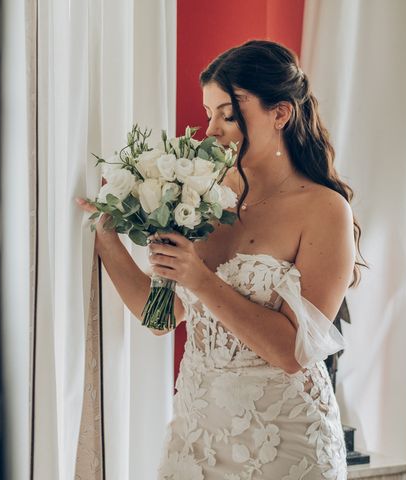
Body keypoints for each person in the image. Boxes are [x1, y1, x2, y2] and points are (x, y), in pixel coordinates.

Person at [76, 39, 367, 480]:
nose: (211, 129)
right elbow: (161, 316)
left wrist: (201, 279)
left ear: (280, 113)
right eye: (209, 113)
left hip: (285, 444)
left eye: (228, 114)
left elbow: (292, 353)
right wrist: (106, 231)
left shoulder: (325, 210)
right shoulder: (205, 195)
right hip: (196, 437)